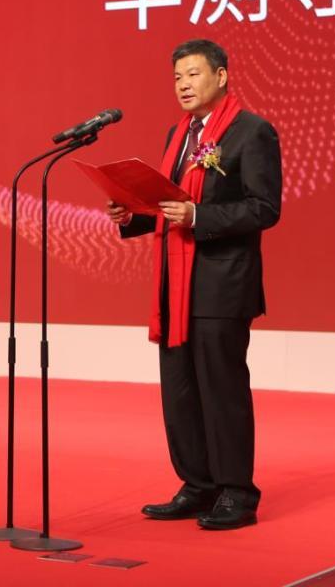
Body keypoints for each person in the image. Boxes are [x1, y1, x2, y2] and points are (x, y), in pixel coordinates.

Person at [107, 38, 282, 530]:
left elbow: (264, 208)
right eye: (177, 78)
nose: (183, 85)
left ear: (221, 76)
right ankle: (198, 484)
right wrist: (132, 216)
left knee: (222, 390)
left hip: (222, 286)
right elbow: (167, 207)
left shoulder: (252, 132)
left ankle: (237, 493)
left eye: (193, 74)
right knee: (180, 390)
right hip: (175, 284)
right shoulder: (179, 134)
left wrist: (199, 216)